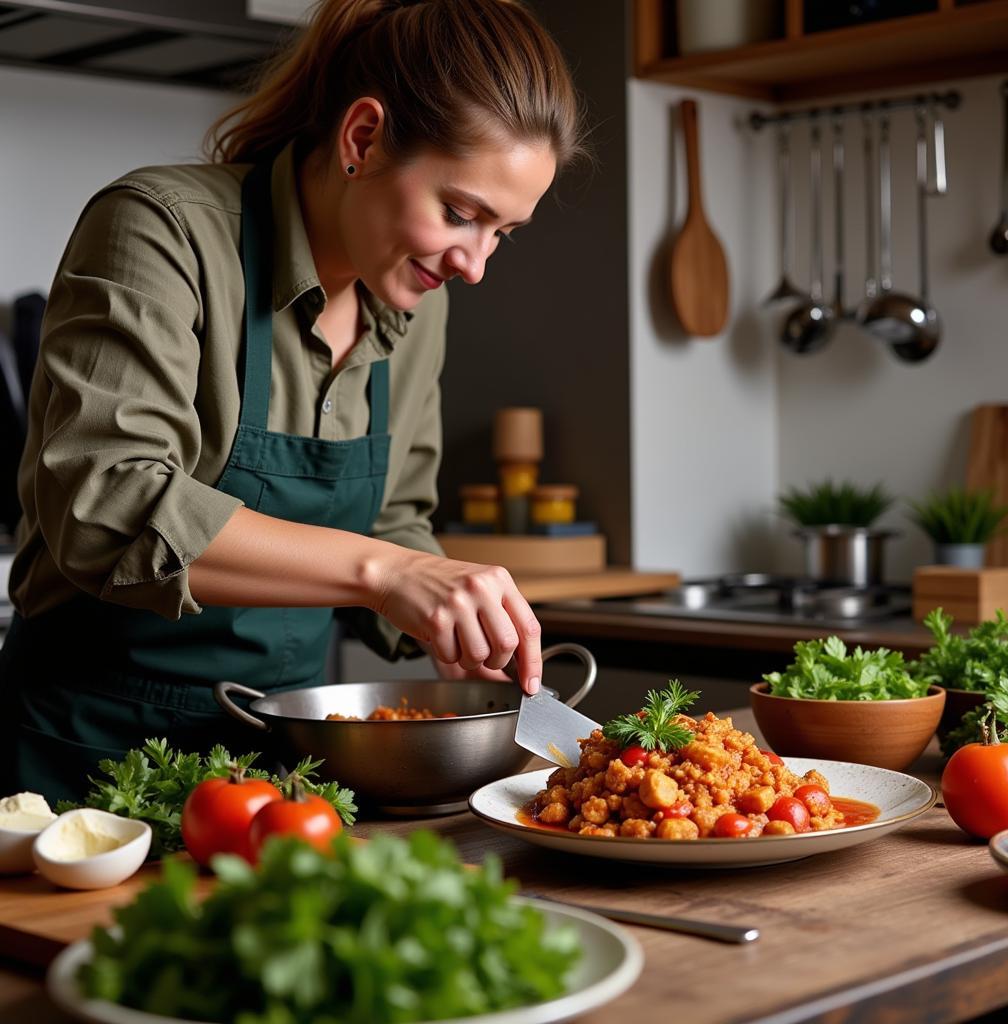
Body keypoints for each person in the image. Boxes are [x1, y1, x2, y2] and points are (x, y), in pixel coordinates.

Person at [0, 0, 586, 801]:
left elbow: (394, 520)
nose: (475, 263)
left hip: (282, 769)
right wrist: (386, 574)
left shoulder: (416, 304)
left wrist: (449, 614)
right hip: (85, 761)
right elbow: (105, 502)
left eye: (501, 233)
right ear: (362, 138)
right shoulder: (161, 228)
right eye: (460, 214)